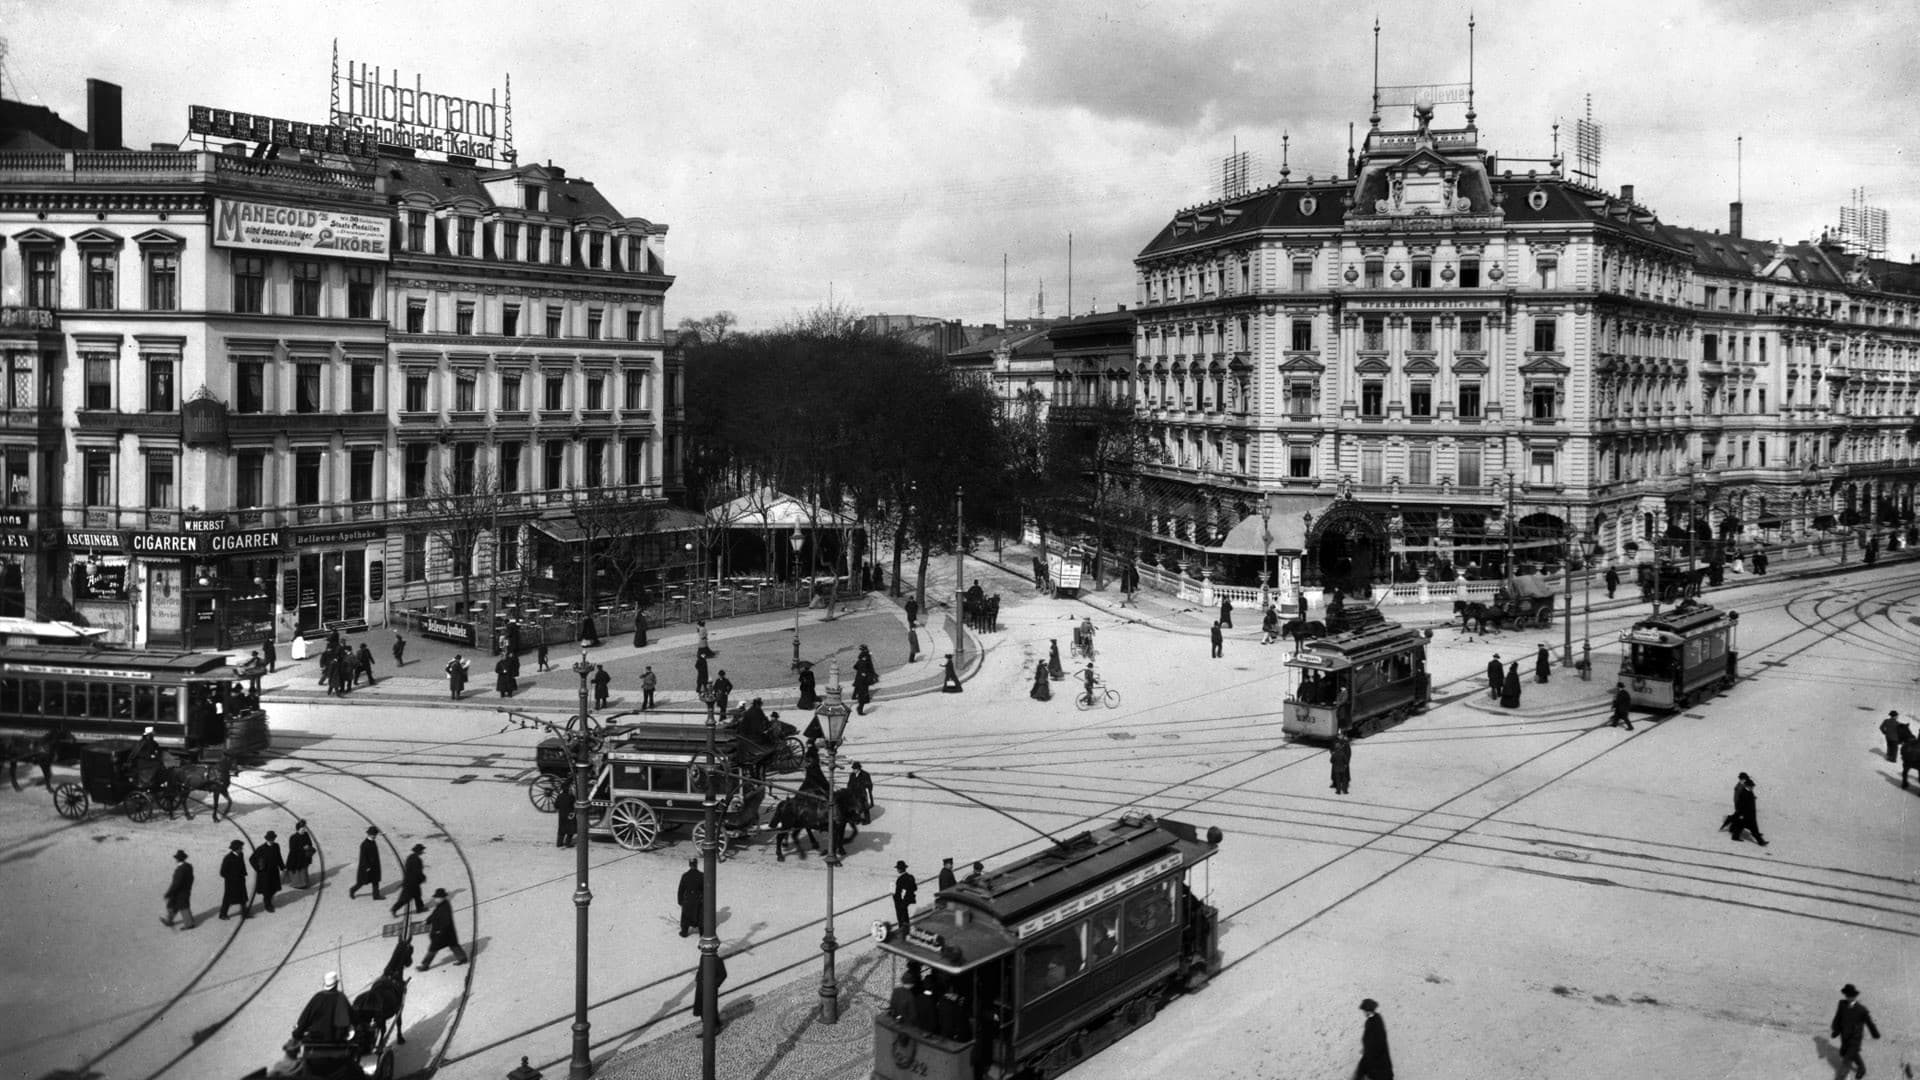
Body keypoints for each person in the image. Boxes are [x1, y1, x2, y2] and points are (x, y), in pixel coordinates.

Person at [1830, 983, 1880, 1079]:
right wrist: (1836, 1030)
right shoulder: (1842, 1004)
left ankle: (1841, 1077)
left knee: (1847, 1059)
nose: (1849, 998)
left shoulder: (1861, 1010)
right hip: (1844, 1036)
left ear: (1855, 996)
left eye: (1851, 996)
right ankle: (1862, 1068)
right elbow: (1838, 1017)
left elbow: (1869, 1023)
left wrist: (1875, 1033)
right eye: (1847, 995)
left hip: (1855, 1038)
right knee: (1849, 1053)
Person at [293, 971, 354, 1044]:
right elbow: (352, 1018)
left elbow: (305, 1018)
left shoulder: (318, 997)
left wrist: (297, 1033)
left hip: (316, 1037)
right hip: (336, 1039)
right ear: (337, 984)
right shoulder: (341, 997)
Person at [418, 889, 468, 969]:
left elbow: (446, 922)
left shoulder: (445, 908)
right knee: (453, 945)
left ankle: (425, 965)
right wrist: (427, 921)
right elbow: (434, 914)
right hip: (448, 933)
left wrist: (439, 931)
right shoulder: (442, 904)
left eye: (437, 898)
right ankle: (462, 958)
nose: (435, 899)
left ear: (442, 898)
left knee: (433, 948)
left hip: (442, 933)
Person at [1354, 998, 1394, 1079]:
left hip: (1377, 1056)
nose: (1363, 1013)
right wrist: (1365, 1048)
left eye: (1364, 1011)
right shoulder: (1370, 1020)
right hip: (1371, 1054)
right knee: (1362, 1071)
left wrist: (1369, 1050)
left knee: (1379, 1073)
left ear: (1368, 1011)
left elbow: (1379, 1039)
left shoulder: (1377, 1021)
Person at [251, 830, 285, 913]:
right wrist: (258, 868)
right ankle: (268, 905)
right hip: (265, 873)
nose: (271, 840)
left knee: (274, 888)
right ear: (267, 839)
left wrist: (282, 867)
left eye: (273, 839)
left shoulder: (276, 846)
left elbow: (279, 857)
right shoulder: (261, 848)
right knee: (267, 890)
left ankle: (268, 899)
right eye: (270, 839)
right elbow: (252, 859)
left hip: (274, 872)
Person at [1728, 772, 1767, 846]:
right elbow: (1738, 800)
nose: (1752, 788)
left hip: (1748, 812)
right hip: (1745, 812)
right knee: (1748, 825)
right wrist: (1739, 811)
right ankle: (1760, 841)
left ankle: (1734, 832)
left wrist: (1753, 798)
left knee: (1741, 824)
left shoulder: (1746, 789)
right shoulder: (1741, 788)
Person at [691, 947, 728, 1020]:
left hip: (709, 987)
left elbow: (723, 975)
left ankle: (714, 1022)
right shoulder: (703, 956)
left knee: (711, 1007)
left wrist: (713, 985)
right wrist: (698, 977)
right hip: (701, 985)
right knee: (702, 1004)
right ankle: (704, 1020)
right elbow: (700, 968)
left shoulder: (717, 960)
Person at [392, 843, 428, 916]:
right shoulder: (417, 860)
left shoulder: (410, 857)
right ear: (419, 851)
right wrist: (423, 877)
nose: (422, 852)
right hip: (412, 883)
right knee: (405, 898)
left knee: (417, 895)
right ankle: (394, 909)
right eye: (421, 850)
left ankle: (420, 908)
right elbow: (417, 872)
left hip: (410, 881)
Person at [163, 849, 195, 929]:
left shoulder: (180, 870)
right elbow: (192, 878)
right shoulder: (189, 866)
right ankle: (169, 920)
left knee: (183, 907)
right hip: (186, 890)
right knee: (174, 905)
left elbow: (176, 883)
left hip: (180, 892)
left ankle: (189, 924)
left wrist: (169, 893)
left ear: (177, 859)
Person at [219, 839, 250, 920]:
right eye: (241, 848)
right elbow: (222, 872)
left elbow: (242, 865)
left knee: (243, 898)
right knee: (228, 899)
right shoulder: (228, 858)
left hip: (240, 880)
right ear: (236, 849)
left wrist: (244, 873)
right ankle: (222, 914)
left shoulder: (241, 854)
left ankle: (245, 914)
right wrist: (232, 877)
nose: (242, 849)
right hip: (231, 883)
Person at [351, 825, 382, 900]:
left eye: (375, 835)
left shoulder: (373, 842)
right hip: (366, 867)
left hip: (374, 866)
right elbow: (363, 857)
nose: (374, 836)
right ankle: (352, 890)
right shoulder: (364, 844)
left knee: (375, 880)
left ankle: (376, 896)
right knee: (361, 882)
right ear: (369, 834)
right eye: (373, 835)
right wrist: (367, 867)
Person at [284, 820, 315, 889]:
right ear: (298, 829)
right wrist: (303, 848)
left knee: (304, 870)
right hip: (296, 857)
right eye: (302, 829)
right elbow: (292, 849)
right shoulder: (293, 837)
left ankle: (304, 883)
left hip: (304, 857)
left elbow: (310, 843)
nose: (304, 830)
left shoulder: (306, 835)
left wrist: (308, 846)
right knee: (297, 872)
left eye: (304, 828)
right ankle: (297, 884)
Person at [678, 858, 704, 936]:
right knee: (700, 917)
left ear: (689, 865)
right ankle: (702, 932)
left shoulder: (685, 876)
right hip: (698, 899)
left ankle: (684, 932)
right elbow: (705, 889)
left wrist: (680, 900)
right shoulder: (702, 875)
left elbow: (681, 889)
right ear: (696, 864)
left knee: (686, 917)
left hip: (688, 899)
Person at [893, 860, 917, 930]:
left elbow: (898, 892)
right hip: (908, 899)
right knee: (905, 916)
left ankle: (902, 930)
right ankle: (906, 929)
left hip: (901, 900)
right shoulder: (911, 877)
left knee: (901, 917)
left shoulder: (900, 879)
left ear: (899, 869)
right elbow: (915, 888)